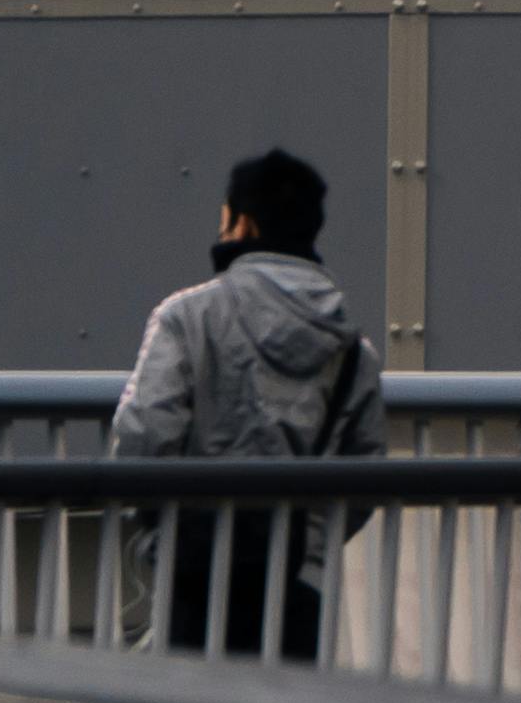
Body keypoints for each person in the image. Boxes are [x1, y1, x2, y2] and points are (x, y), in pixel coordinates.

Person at [112, 145, 385, 657]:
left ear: (243, 225)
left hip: (196, 576)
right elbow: (365, 472)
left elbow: (142, 441)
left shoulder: (187, 317)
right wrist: (313, 549)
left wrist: (162, 536)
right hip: (297, 585)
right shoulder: (353, 349)